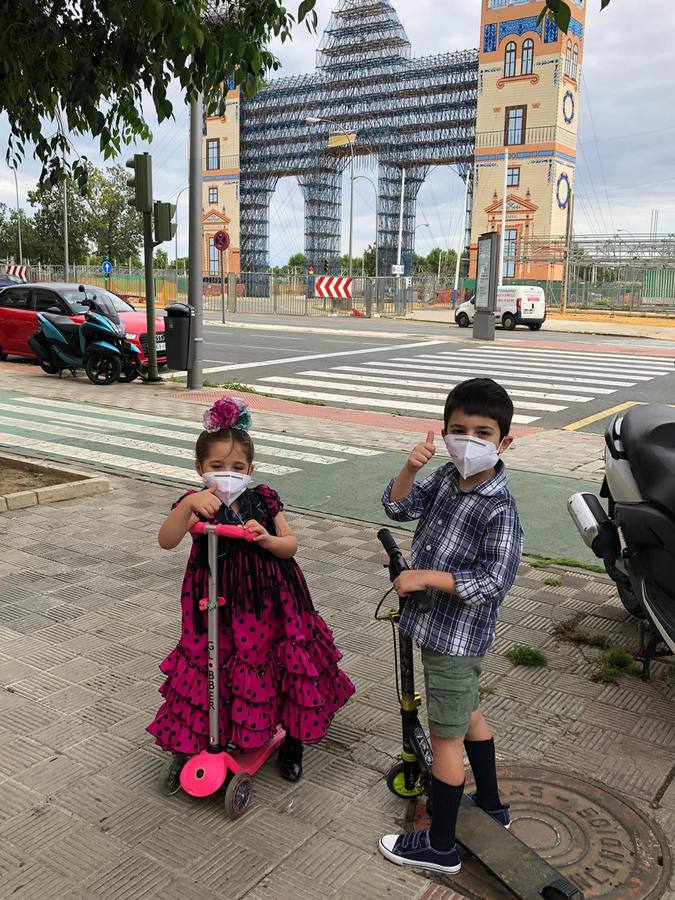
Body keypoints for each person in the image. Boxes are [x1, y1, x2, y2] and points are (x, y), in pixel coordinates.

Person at [147, 396, 355, 793]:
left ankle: (292, 740)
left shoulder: (263, 499)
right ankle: (190, 744)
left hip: (269, 600)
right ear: (200, 469)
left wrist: (267, 539)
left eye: (237, 468)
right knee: (208, 664)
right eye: (217, 467)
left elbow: (290, 544)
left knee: (277, 663)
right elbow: (166, 540)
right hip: (212, 600)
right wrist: (190, 504)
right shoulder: (195, 503)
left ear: (251, 469)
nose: (227, 475)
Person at [378, 378, 523, 875]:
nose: (469, 440)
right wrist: (409, 467)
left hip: (456, 640)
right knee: (470, 713)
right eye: (458, 430)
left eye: (483, 432)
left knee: (446, 737)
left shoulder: (500, 508)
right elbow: (398, 507)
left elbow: (493, 579)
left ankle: (440, 846)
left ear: (504, 441)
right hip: (437, 631)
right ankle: (492, 806)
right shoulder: (444, 477)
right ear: (443, 432)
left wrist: (425, 577)